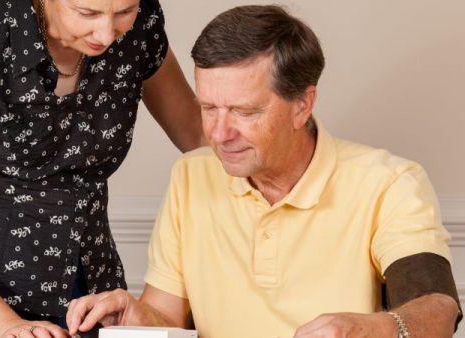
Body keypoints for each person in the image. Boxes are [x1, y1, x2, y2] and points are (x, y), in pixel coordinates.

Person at [64, 5, 463, 338]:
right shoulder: (191, 177)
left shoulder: (388, 182)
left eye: (244, 111)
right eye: (208, 108)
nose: (218, 133)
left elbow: (438, 308)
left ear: (302, 105)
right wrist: (136, 318)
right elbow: (166, 317)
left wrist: (372, 328)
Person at [0, 0, 203, 336]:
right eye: (87, 13)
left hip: (84, 289)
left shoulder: (140, 26)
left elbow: (199, 134)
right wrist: (6, 325)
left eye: (124, 12)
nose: (107, 33)